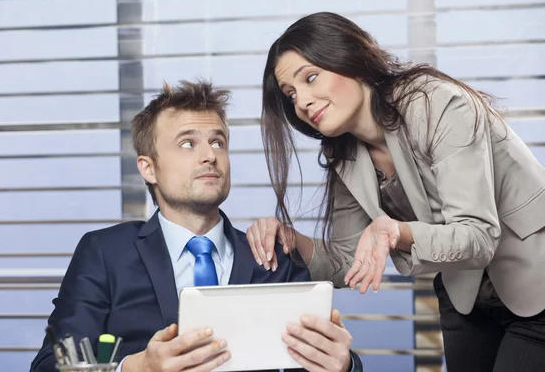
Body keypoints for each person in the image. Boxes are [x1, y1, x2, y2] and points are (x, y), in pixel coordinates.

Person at [245, 12, 545, 372]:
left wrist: (396, 233)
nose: (303, 102)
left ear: (350, 60)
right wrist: (290, 239)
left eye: (310, 78)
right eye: (291, 94)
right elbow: (345, 261)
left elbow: (478, 236)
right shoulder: (345, 152)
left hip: (535, 279)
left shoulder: (437, 103)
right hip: (464, 294)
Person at [30, 80, 362, 372]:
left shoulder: (277, 258)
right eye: (188, 143)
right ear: (148, 169)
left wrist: (342, 366)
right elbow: (50, 366)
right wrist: (134, 369)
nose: (209, 156)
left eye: (218, 142)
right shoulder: (105, 253)